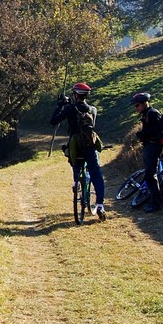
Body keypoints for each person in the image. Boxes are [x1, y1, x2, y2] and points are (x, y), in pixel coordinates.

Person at [50, 82, 106, 220]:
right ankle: (100, 205)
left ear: (75, 95)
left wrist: (60, 106)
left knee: (75, 162)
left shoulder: (70, 109)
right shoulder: (93, 110)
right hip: (89, 145)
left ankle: (76, 183)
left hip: (76, 145)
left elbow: (53, 121)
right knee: (96, 173)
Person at [130, 92, 163, 212]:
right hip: (150, 146)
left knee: (150, 175)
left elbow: (157, 131)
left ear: (145, 103)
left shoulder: (153, 114)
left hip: (153, 146)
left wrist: (143, 135)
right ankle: (153, 201)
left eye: (137, 105)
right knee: (149, 174)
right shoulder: (146, 114)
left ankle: (155, 203)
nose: (136, 108)